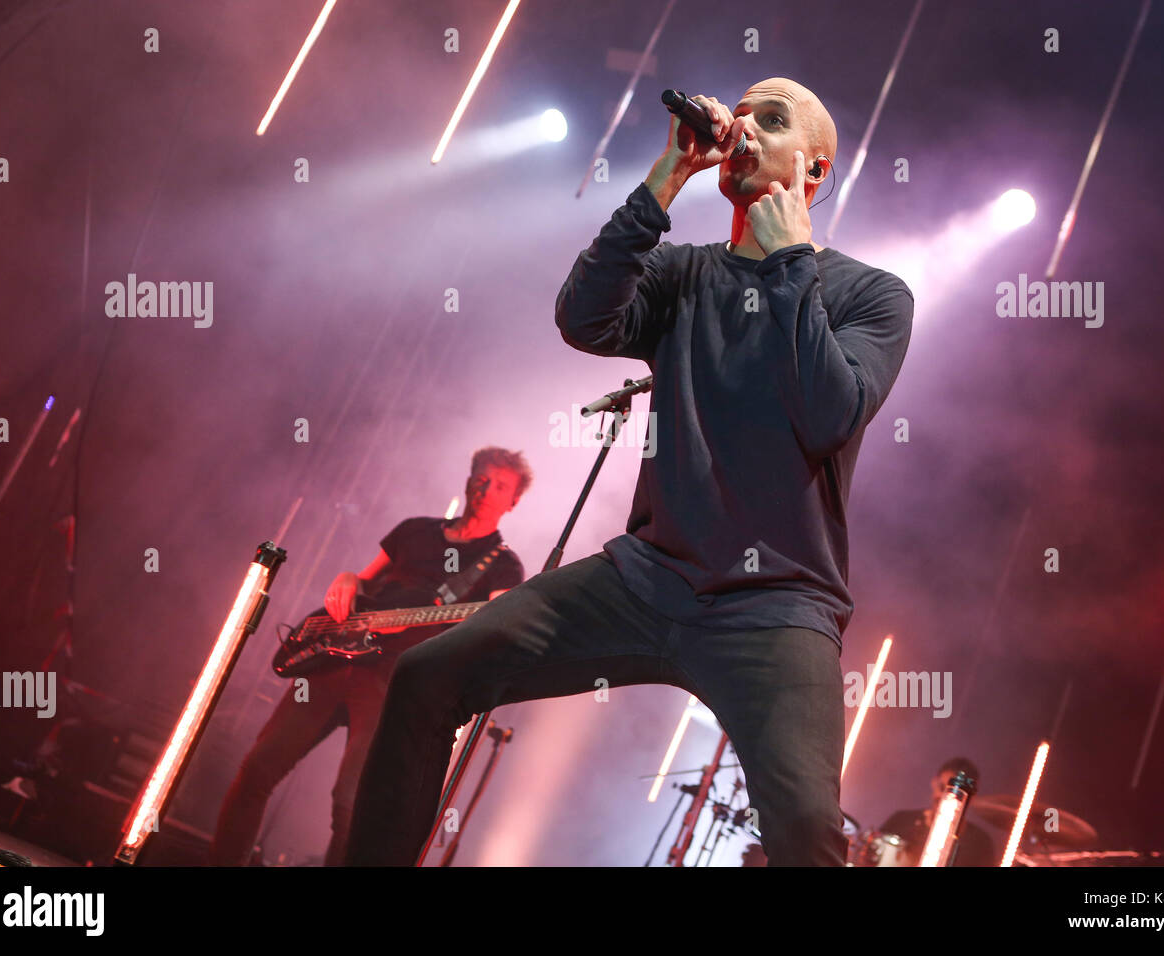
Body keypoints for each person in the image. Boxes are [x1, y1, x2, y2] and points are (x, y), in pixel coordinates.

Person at [346, 76, 913, 867]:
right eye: (739, 113)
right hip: (646, 578)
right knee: (427, 678)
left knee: (808, 834)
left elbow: (828, 415)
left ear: (813, 173)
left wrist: (788, 267)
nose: (743, 125)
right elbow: (583, 319)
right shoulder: (685, 274)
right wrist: (666, 179)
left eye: (770, 120)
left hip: (775, 609)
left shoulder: (871, 295)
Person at [207, 447, 529, 865]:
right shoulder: (415, 530)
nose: (487, 489)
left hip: (392, 690)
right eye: (482, 478)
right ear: (468, 480)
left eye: (500, 485)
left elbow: (494, 626)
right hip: (334, 662)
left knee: (349, 807)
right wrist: (345, 578)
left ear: (514, 501)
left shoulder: (503, 567)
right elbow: (362, 578)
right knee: (256, 772)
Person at [878, 757, 999, 866]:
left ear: (970, 799)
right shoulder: (900, 820)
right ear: (934, 782)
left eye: (955, 795)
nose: (944, 797)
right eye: (942, 788)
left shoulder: (981, 844)